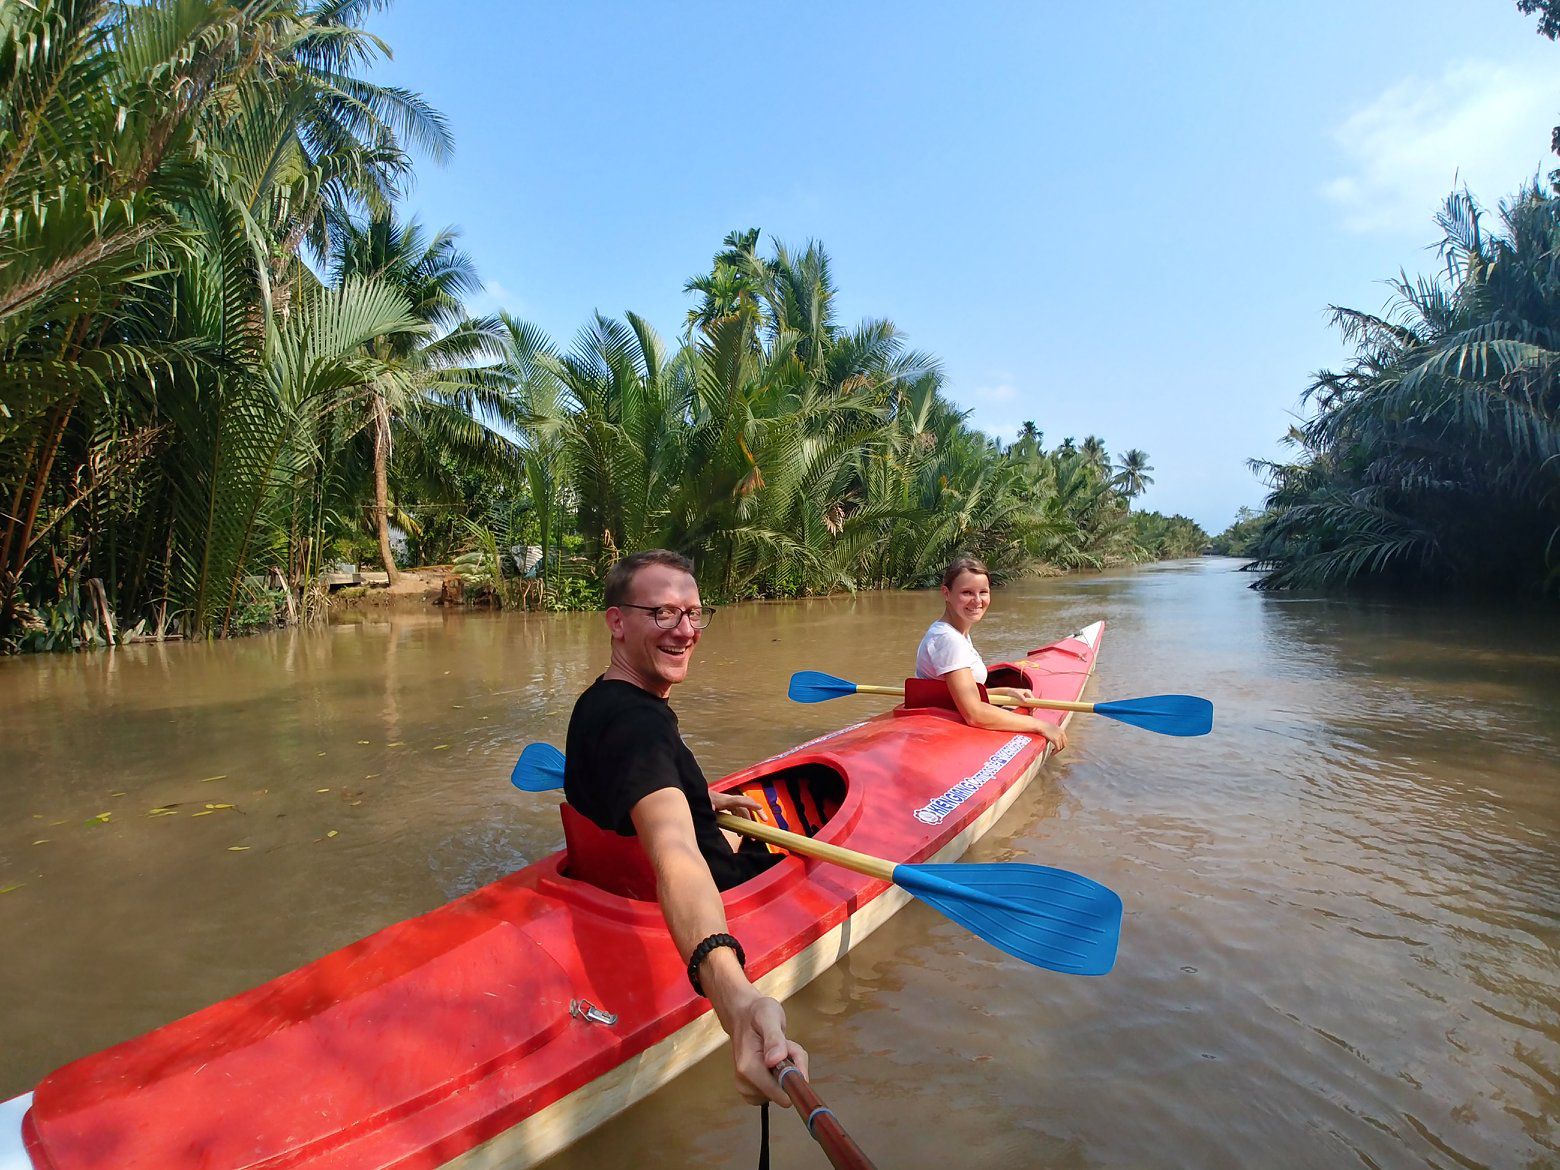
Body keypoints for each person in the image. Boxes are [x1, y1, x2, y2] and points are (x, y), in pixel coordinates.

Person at [563, 548, 806, 1108]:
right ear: (617, 621)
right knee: (791, 847)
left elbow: (632, 782)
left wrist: (700, 795)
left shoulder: (598, 702)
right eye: (664, 613)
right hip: (716, 891)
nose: (686, 630)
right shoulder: (640, 726)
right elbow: (674, 852)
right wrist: (736, 1002)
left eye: (694, 613)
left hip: (617, 886)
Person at [915, 555, 1069, 750]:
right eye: (967, 592)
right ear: (946, 593)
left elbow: (956, 694)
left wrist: (1006, 691)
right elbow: (974, 714)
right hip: (943, 730)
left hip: (946, 712)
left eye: (983, 592)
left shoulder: (954, 633)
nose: (977, 600)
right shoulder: (949, 640)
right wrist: (1041, 725)